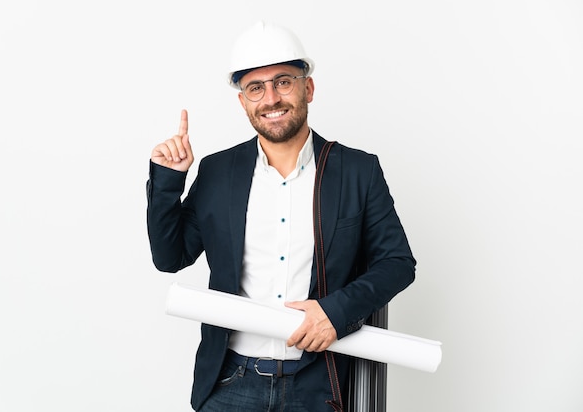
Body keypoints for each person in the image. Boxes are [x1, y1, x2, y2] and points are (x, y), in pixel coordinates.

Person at [146, 21, 416, 412]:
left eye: (283, 82)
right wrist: (169, 181)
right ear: (243, 102)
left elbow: (397, 264)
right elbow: (170, 258)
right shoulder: (219, 171)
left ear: (308, 88)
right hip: (229, 383)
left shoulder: (358, 171)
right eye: (256, 88)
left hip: (318, 384)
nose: (271, 98)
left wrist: (335, 312)